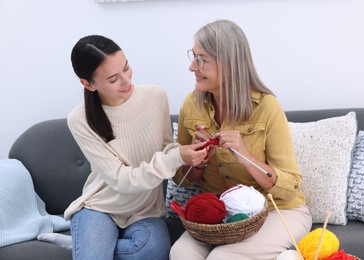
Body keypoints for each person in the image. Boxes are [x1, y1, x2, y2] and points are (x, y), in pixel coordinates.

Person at [169, 20, 312, 260]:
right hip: (222, 213)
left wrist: (245, 157)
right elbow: (180, 179)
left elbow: (291, 187)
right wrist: (198, 160)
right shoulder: (190, 105)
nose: (192, 67)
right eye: (193, 56)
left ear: (230, 64)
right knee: (181, 253)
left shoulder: (267, 107)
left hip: (277, 210)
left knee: (223, 258)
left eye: (202, 59)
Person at [60, 35, 208, 260]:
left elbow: (166, 149)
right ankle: (87, 244)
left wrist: (187, 153)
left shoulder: (155, 96)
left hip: (145, 212)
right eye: (112, 79)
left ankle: (83, 245)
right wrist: (176, 157)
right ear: (88, 84)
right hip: (100, 207)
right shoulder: (79, 119)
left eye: (126, 67)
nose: (127, 81)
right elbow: (121, 180)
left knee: (151, 249)